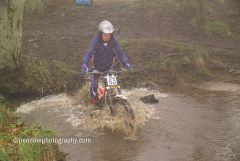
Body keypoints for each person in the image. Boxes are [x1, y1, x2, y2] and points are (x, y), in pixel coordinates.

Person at [81, 20, 132, 105]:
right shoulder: (95, 40)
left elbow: (119, 52)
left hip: (109, 68)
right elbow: (89, 52)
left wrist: (125, 63)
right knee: (94, 89)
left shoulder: (113, 40)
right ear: (100, 33)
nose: (107, 37)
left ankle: (116, 101)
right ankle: (95, 105)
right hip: (96, 69)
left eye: (109, 35)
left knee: (114, 87)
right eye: (105, 35)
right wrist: (84, 63)